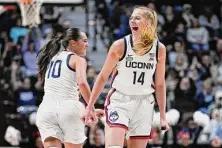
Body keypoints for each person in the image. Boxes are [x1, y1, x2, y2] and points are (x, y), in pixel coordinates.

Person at [83, 6, 170, 148]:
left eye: (137, 18)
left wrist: (162, 116)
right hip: (120, 101)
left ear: (148, 22)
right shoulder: (120, 45)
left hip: (144, 103)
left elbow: (160, 84)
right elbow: (103, 76)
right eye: (131, 18)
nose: (132, 21)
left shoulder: (159, 49)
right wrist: (90, 105)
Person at [36, 28, 92, 148]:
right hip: (68, 107)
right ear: (73, 43)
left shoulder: (51, 59)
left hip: (46, 110)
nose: (87, 44)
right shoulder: (78, 59)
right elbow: (82, 83)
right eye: (85, 41)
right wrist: (91, 106)